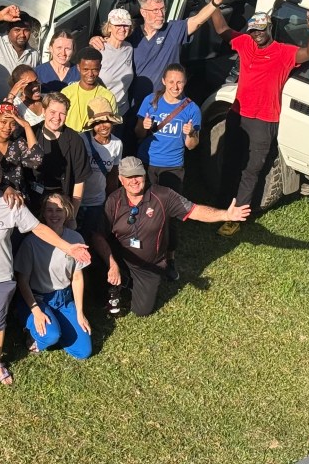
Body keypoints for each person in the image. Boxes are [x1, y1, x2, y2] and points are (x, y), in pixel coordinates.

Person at [0, 152, 89, 386]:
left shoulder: (11, 203)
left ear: (0, 177)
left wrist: (68, 247)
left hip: (0, 277)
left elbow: (38, 228)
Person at [90, 157, 250, 318]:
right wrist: (112, 264)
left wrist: (225, 215)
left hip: (149, 266)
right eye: (129, 176)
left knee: (142, 310)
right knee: (95, 270)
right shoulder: (114, 200)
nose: (134, 181)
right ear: (121, 179)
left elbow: (194, 211)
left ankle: (128, 282)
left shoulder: (163, 195)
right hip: (121, 257)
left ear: (144, 175)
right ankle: (119, 279)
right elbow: (98, 235)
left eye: (137, 175)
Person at [214, 10, 309, 237]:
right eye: (253, 31)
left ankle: (238, 217)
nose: (257, 35)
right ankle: (222, 207)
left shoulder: (284, 52)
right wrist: (214, 4)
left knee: (251, 170)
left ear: (269, 28)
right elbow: (221, 29)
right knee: (230, 162)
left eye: (261, 30)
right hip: (238, 115)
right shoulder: (245, 43)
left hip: (264, 120)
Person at [90, 0, 239, 99]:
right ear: (143, 12)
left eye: (162, 9)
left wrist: (215, 2)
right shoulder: (132, 34)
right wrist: (96, 40)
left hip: (166, 101)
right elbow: (114, 40)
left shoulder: (173, 30)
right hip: (136, 103)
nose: (160, 14)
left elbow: (197, 20)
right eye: (155, 10)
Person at [135, 63, 201, 278]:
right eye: (171, 81)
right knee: (143, 208)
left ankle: (170, 259)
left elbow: (192, 146)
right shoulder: (150, 101)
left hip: (173, 166)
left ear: (185, 83)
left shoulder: (192, 109)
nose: (175, 86)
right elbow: (138, 134)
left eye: (179, 82)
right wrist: (143, 127)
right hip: (147, 163)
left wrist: (190, 134)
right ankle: (142, 253)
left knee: (170, 214)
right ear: (163, 81)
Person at [14, 193, 91, 359]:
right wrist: (36, 311)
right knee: (50, 336)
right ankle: (32, 331)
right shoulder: (31, 242)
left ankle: (59, 325)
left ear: (67, 212)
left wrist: (80, 312)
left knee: (83, 352)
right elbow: (22, 281)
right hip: (38, 298)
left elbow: (77, 278)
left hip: (64, 299)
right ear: (43, 213)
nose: (54, 214)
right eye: (49, 210)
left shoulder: (75, 238)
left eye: (59, 210)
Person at [29, 92, 91, 215]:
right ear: (44, 111)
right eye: (52, 112)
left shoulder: (75, 140)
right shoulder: (31, 133)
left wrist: (72, 216)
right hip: (33, 200)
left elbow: (79, 181)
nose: (57, 118)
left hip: (62, 202)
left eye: (62, 113)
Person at [79, 98, 123, 241]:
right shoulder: (81, 140)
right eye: (97, 123)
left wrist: (111, 202)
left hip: (98, 202)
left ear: (112, 122)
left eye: (106, 121)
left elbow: (113, 175)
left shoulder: (117, 144)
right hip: (78, 200)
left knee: (93, 237)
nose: (102, 126)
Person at [60, 46, 118, 132]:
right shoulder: (66, 93)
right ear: (78, 67)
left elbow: (110, 126)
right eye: (85, 69)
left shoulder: (108, 96)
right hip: (69, 138)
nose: (90, 74)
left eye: (94, 70)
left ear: (100, 68)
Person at [95, 8, 136, 116]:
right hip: (102, 111)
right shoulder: (99, 48)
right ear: (109, 27)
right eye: (118, 25)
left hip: (122, 111)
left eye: (126, 25)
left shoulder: (129, 48)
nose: (122, 29)